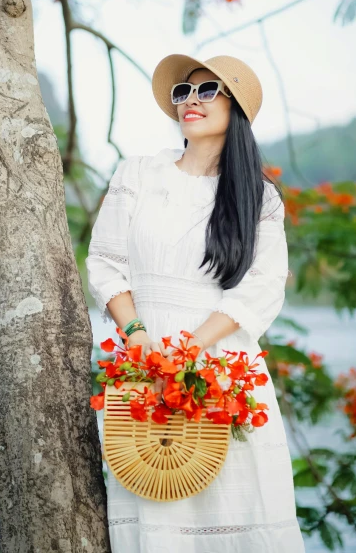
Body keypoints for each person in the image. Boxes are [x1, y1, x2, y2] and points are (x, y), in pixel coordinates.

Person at [86, 53, 306, 552]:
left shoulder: (260, 198)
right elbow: (104, 261)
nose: (190, 100)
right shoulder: (138, 173)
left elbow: (264, 285)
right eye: (183, 92)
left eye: (208, 91)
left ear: (238, 110)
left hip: (221, 367)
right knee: (157, 498)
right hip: (142, 368)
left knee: (239, 514)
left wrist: (190, 349)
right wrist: (139, 339)